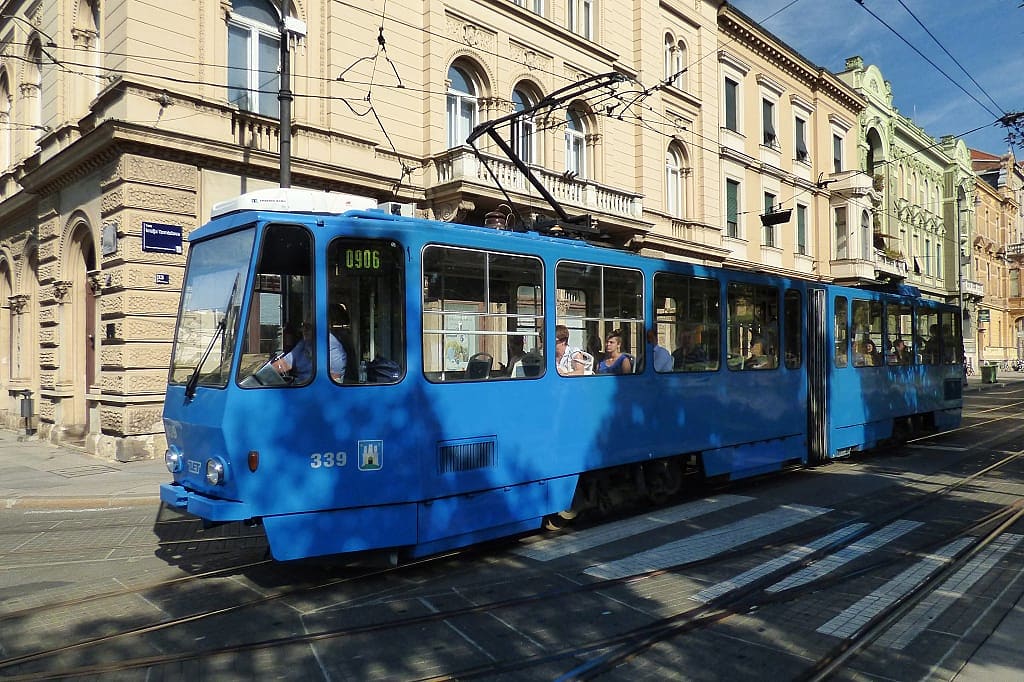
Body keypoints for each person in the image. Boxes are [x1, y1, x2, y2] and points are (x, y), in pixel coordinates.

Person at [272, 319, 347, 383]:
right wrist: (264, 375)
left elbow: (335, 377)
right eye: (303, 326)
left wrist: (302, 386)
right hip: (300, 385)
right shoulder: (305, 342)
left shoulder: (332, 346)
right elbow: (284, 363)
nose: (303, 330)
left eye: (308, 327)